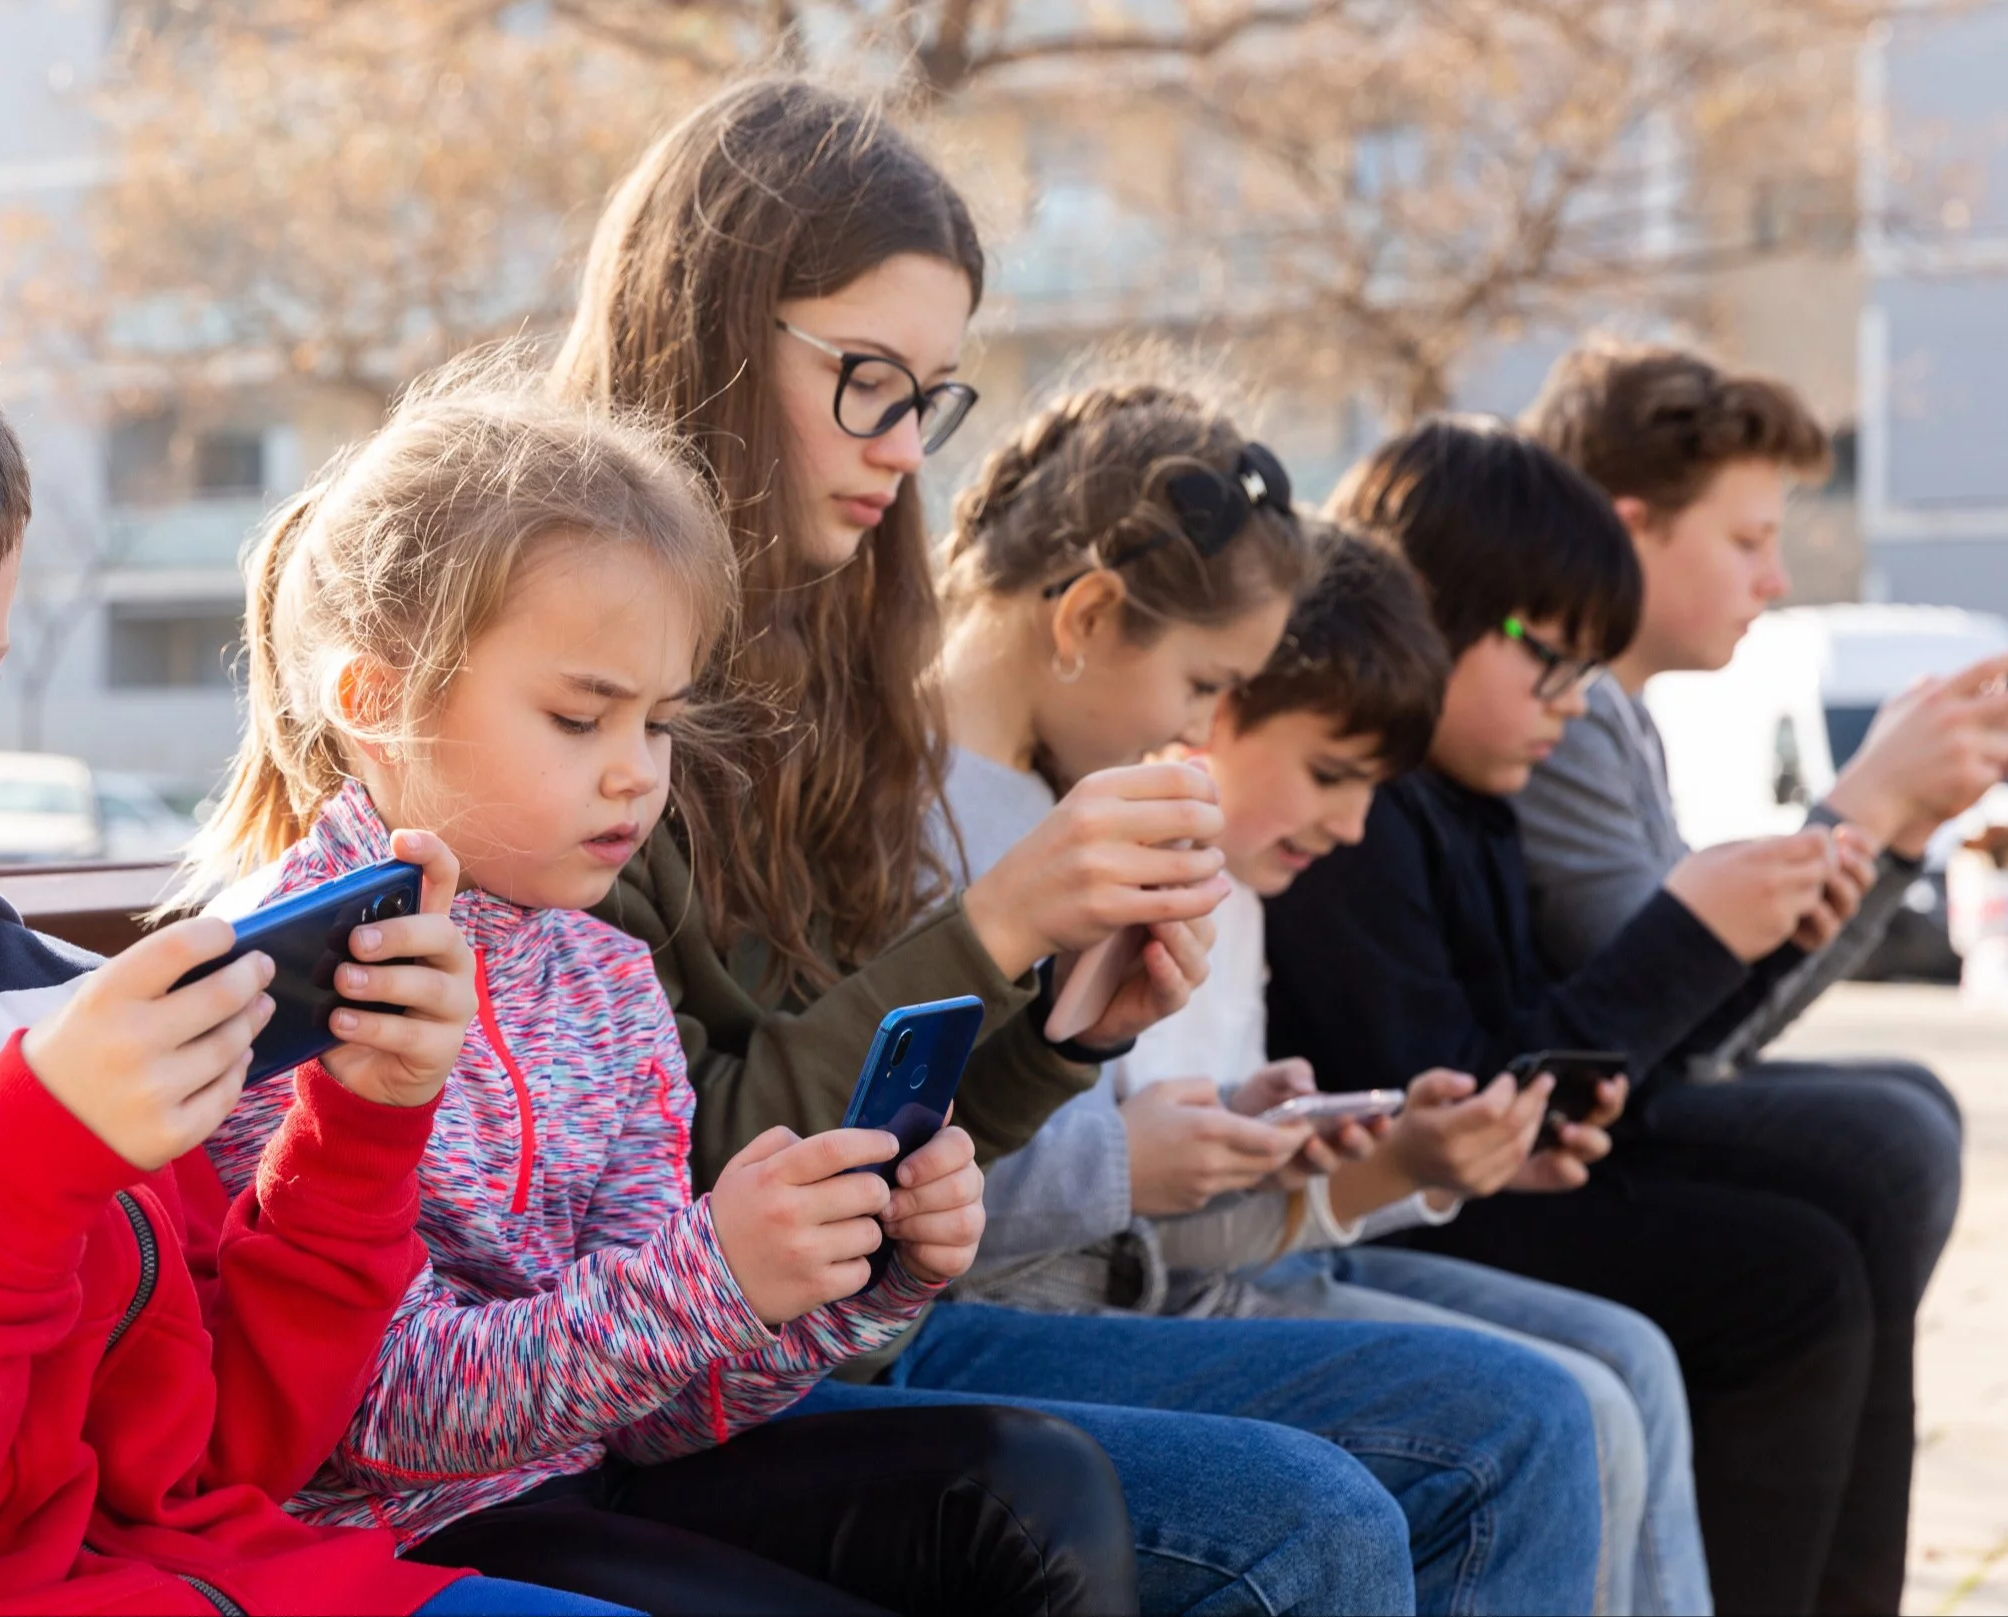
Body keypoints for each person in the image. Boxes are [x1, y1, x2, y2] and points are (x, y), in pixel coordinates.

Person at [565, 80, 1603, 1615]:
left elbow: (871, 1152)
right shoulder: (606, 691)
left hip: (839, 1325)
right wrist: (994, 936)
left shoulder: (827, 674)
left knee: (1529, 1409)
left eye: (927, 396)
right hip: (680, 1369)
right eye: (863, 377)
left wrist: (1054, 1031)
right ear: (711, 331)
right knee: (1333, 1503)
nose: (902, 449)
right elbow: (716, 1171)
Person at [184, 367, 1139, 1617]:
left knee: (1031, 1488)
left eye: (660, 724)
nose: (637, 776)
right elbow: (371, 1414)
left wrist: (858, 1274)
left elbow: (669, 1416)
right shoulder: (276, 988)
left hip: (589, 1482)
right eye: (582, 720)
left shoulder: (605, 971)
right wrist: (713, 1275)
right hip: (405, 1539)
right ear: (376, 702)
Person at [0, 306, 617, 1615]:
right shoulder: (43, 1060)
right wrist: (9, 1176)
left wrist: (360, 1135)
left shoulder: (22, 989)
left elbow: (219, 1457)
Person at [931, 390, 1705, 1615]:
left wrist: (1361, 1164)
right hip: (1006, 1314)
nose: (1348, 829)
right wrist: (1177, 1166)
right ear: (1087, 620)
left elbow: (1098, 1174)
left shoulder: (1116, 834)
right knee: (1536, 1414)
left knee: (1609, 1374)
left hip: (1129, 1279)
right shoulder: (1049, 828)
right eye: (1201, 686)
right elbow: (1015, 1209)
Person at [1264, 414, 1885, 1616]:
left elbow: (1539, 1049)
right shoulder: (1363, 820)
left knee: (1846, 1192)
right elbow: (1432, 1083)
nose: (1568, 703)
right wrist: (1689, 936)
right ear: (1423, 613)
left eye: (1588, 669)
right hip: (1369, 1222)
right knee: (1786, 1271)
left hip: (1449, 1196)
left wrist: (1741, 945)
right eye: (1546, 656)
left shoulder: (1475, 797)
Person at [1514, 337, 2008, 1613]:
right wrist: (1868, 813)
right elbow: (1681, 1037)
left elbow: (1704, 1021)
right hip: (1538, 1139)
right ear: (1629, 528)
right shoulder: (1566, 715)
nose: (1777, 576)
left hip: (1578, 1108)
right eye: (1746, 541)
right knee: (1869, 1147)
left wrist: (1886, 821)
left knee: (1897, 1117)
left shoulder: (1613, 711)